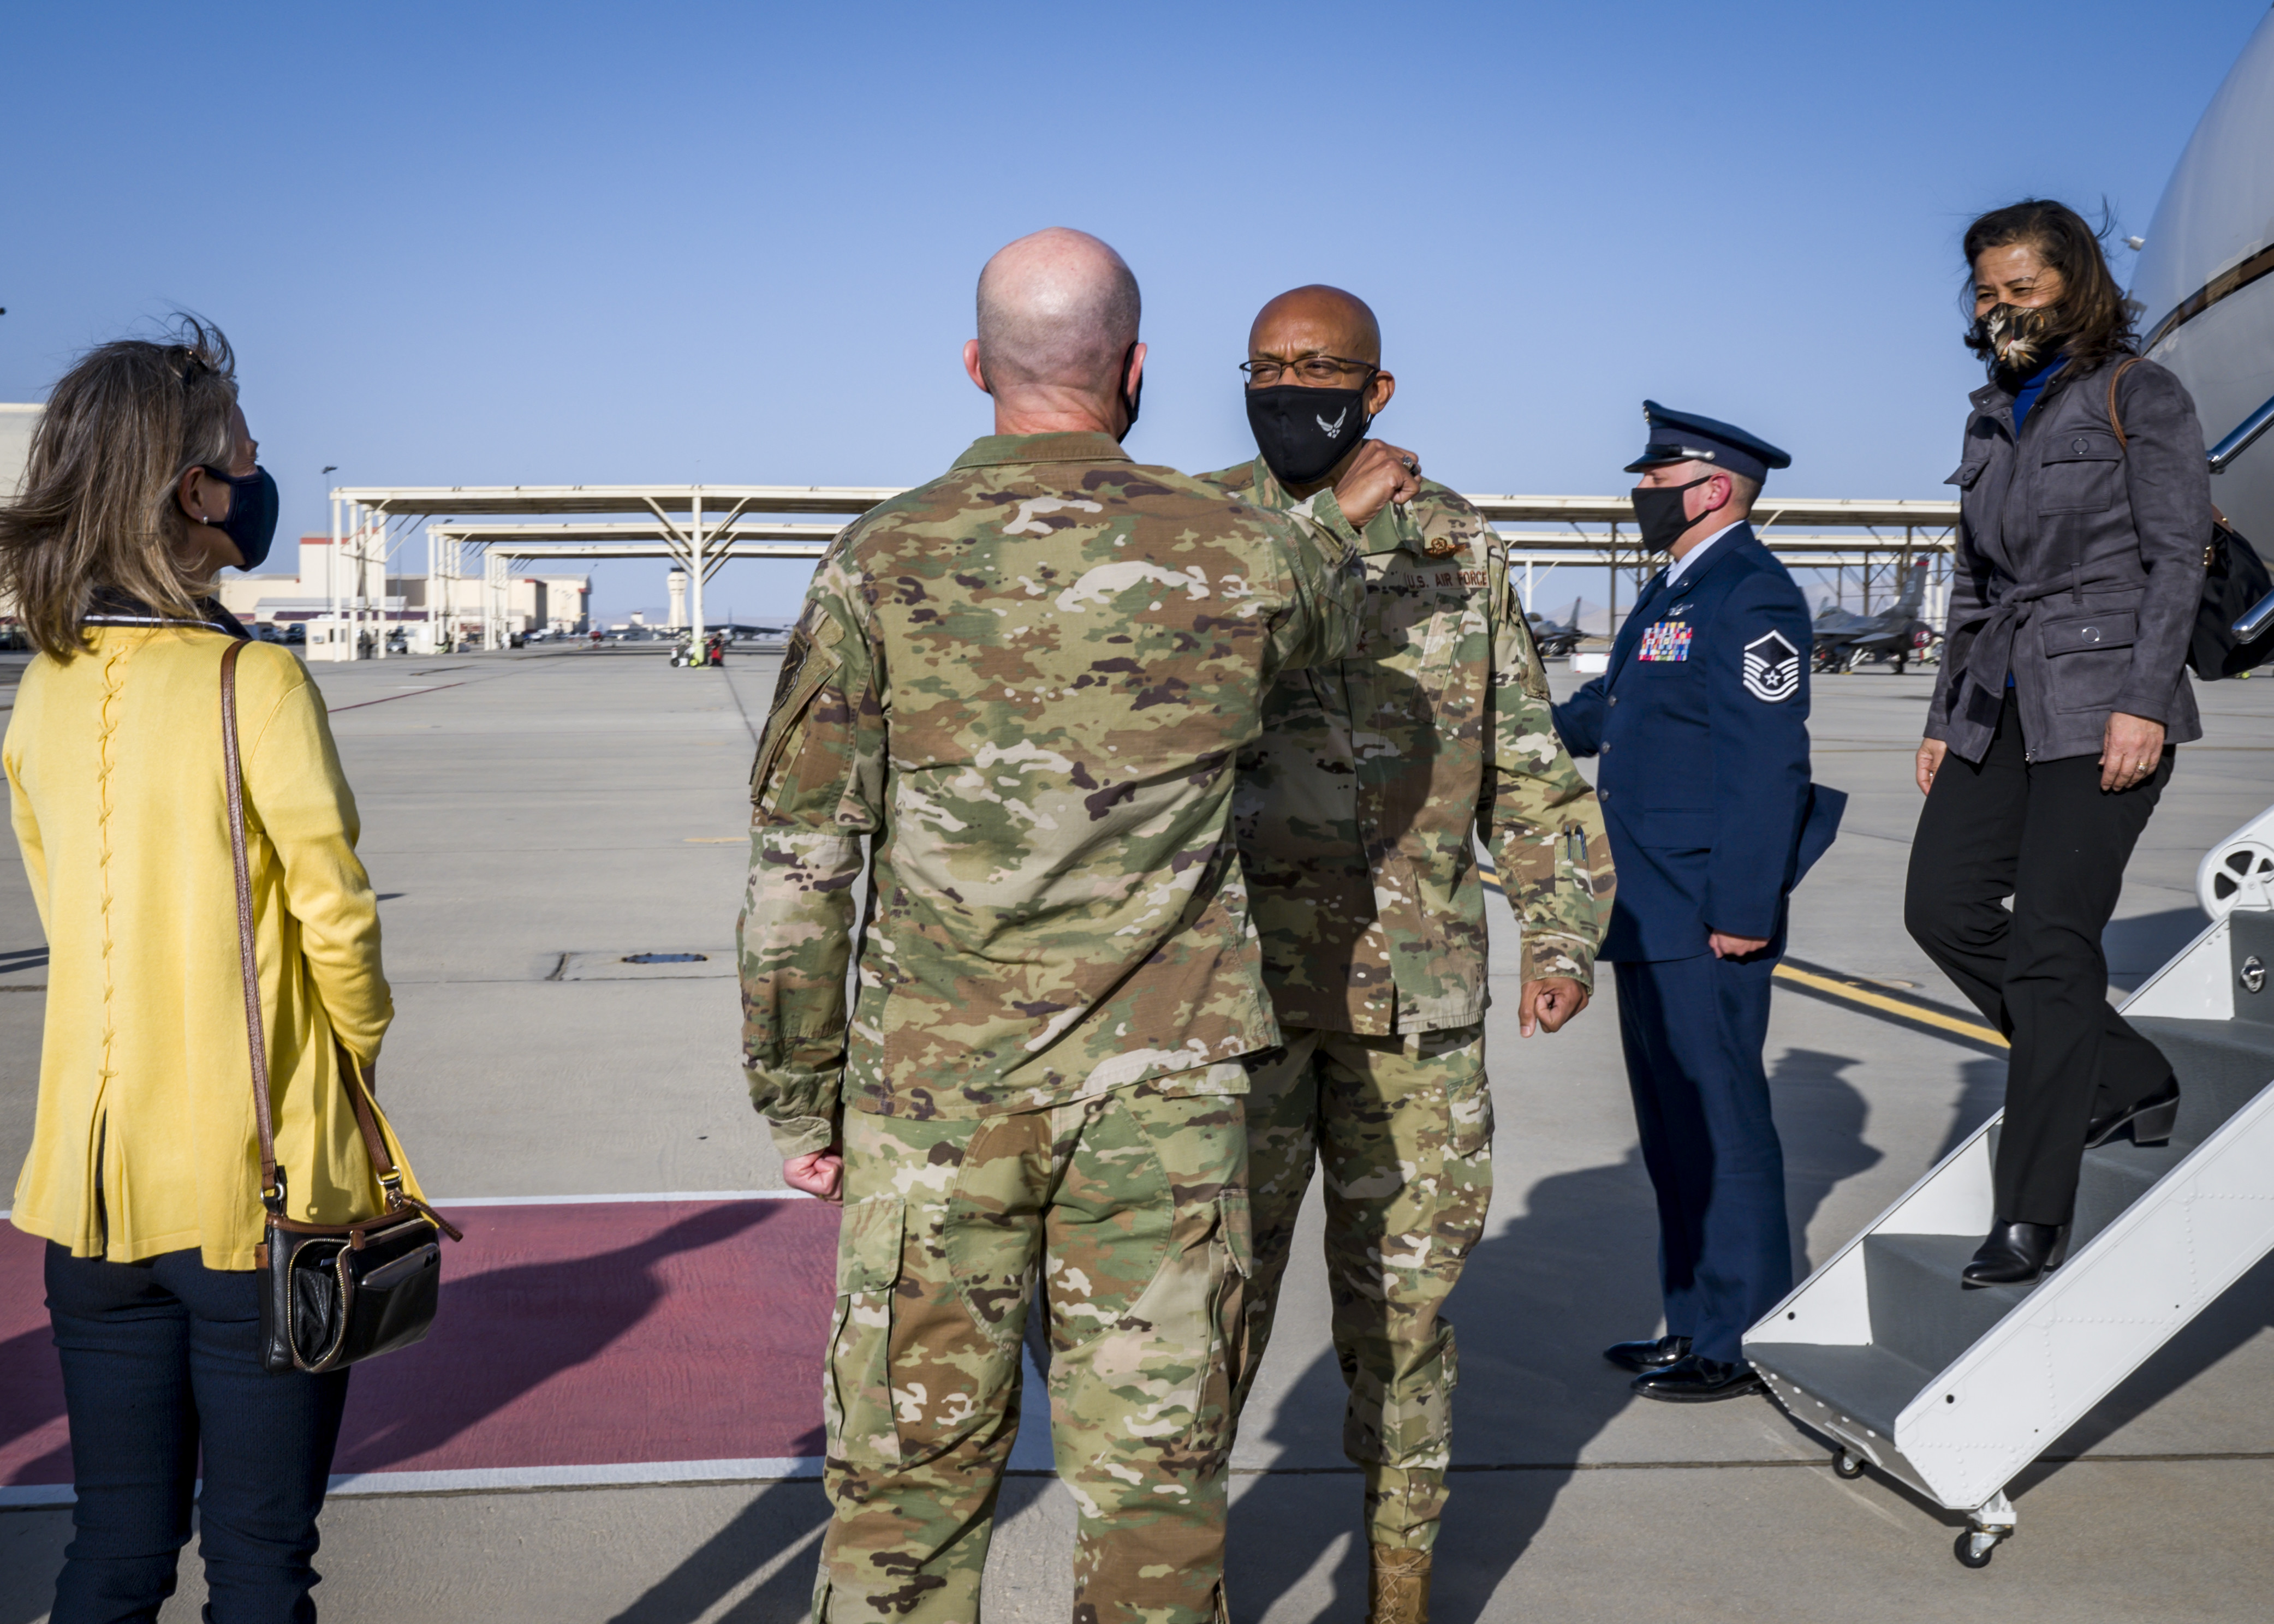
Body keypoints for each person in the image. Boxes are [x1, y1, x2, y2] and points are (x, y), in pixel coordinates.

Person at [736, 229, 1417, 1624]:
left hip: (936, 1103)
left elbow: (802, 865)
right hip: (1165, 1106)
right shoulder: (1241, 557)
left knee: (905, 1491)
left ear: (978, 366)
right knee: (1157, 1495)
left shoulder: (878, 561)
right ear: (1138, 369)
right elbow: (1326, 626)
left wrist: (799, 1094)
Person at [1198, 284, 1614, 1623]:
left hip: (1412, 1009)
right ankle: (1171, 1589)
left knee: (1406, 1326)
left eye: (1318, 367)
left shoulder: (1458, 549)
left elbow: (1528, 763)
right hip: (1233, 1008)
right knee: (1198, 1326)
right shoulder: (1198, 533)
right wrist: (1327, 526)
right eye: (1265, 366)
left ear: (1378, 393)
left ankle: (1397, 1593)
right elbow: (1165, 715)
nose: (1287, 385)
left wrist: (1561, 929)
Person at [1, 320, 418, 1621]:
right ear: (196, 493)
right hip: (259, 1186)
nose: (258, 467)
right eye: (241, 450)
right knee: (255, 1563)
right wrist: (353, 1049)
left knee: (112, 1555)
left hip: (88, 1188)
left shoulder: (49, 687)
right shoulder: (255, 683)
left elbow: (70, 911)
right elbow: (337, 924)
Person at [1906, 200, 2210, 1287]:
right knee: (1937, 906)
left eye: (2019, 287)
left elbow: (2176, 561)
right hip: (2000, 696)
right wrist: (1946, 720)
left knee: (2048, 947)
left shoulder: (2140, 395)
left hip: (2104, 697)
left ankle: (2031, 1211)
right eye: (1985, 291)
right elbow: (1974, 583)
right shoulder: (1988, 414)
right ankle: (2127, 1071)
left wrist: (2141, 700)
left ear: (2074, 282)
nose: (2000, 307)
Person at [1552, 403, 1842, 1402]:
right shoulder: (1671, 590)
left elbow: (1769, 765)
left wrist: (1745, 907)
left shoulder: (1751, 595)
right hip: (1645, 904)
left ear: (1712, 487)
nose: (1640, 490)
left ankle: (1744, 1335)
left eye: (1655, 475)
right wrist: (1505, 729)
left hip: (1708, 908)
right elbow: (1607, 714)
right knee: (1672, 1124)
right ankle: (1691, 1322)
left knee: (1720, 1124)